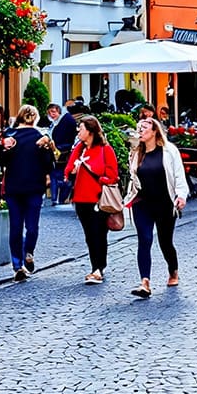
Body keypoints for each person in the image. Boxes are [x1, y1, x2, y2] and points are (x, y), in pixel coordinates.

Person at [123, 115, 189, 298]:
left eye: (144, 127)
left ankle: (173, 270)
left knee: (165, 242)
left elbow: (178, 176)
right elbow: (133, 178)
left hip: (164, 203)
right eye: (139, 127)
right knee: (144, 239)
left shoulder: (169, 151)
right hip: (142, 203)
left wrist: (181, 195)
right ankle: (145, 282)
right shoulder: (136, 152)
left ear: (154, 131)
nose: (141, 130)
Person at [0, 105, 56, 280]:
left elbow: (0, 161)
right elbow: (49, 165)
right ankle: (28, 251)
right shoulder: (40, 138)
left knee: (15, 227)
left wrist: (5, 149)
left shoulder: (10, 137)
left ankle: (17, 265)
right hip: (34, 188)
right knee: (32, 226)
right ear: (35, 118)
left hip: (14, 188)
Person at [65, 116, 121, 283]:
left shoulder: (105, 149)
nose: (78, 131)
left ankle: (98, 269)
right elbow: (67, 169)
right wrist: (72, 171)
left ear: (90, 131)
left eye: (81, 128)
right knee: (89, 235)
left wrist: (98, 179)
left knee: (99, 234)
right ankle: (95, 266)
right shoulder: (79, 149)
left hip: (98, 199)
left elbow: (113, 175)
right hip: (80, 199)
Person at [49, 101, 79, 204]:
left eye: (53, 112)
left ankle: (57, 198)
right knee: (59, 174)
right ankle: (57, 198)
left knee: (58, 174)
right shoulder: (65, 120)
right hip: (62, 151)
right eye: (50, 113)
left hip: (62, 151)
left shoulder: (65, 120)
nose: (51, 115)